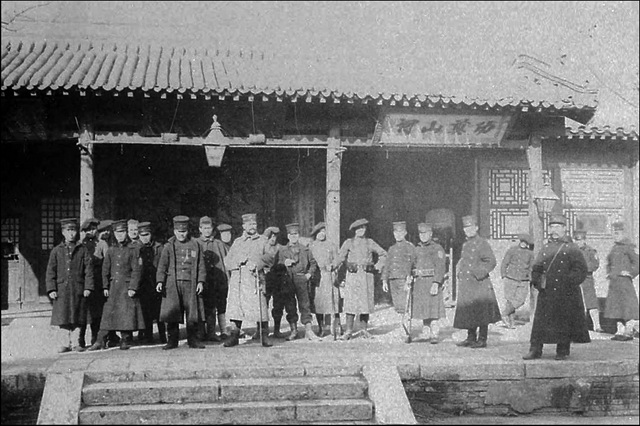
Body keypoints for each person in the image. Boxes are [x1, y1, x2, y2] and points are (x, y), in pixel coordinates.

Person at [523, 214, 590, 361]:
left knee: (563, 322)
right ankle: (535, 350)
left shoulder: (571, 247)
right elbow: (537, 266)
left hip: (565, 293)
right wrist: (537, 281)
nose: (554, 230)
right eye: (552, 226)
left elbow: (581, 269)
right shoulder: (546, 248)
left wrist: (568, 282)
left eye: (558, 227)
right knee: (540, 322)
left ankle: (562, 350)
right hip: (547, 291)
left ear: (564, 229)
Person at [88, 219, 145, 351]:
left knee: (125, 314)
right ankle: (100, 340)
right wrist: (105, 286)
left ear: (126, 233)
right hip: (113, 287)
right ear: (114, 233)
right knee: (108, 313)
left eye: (123, 232)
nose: (121, 235)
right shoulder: (111, 250)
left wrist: (133, 287)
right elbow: (105, 270)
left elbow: (137, 270)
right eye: (118, 233)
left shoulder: (133, 249)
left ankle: (125, 339)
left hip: (126, 287)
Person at [155, 215, 207, 350]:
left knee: (192, 314)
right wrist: (160, 281)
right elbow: (162, 266)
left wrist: (201, 281)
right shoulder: (169, 246)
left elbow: (201, 265)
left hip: (191, 283)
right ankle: (172, 341)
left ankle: (193, 340)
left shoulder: (196, 245)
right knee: (172, 313)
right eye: (179, 231)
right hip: (173, 284)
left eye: (184, 231)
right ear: (174, 231)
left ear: (188, 231)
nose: (181, 234)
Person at [223, 213, 272, 347]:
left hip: (255, 278)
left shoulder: (262, 240)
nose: (252, 227)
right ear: (244, 226)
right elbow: (227, 261)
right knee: (237, 309)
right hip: (239, 281)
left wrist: (257, 263)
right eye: (249, 224)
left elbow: (270, 256)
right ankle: (234, 336)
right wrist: (238, 261)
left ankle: (264, 335)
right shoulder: (237, 242)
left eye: (254, 224)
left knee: (260, 308)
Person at [46, 218, 94, 353]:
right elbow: (51, 271)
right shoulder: (56, 251)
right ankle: (64, 343)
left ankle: (76, 343)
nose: (71, 234)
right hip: (62, 290)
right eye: (68, 230)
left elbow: (88, 270)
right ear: (63, 232)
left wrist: (88, 287)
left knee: (78, 318)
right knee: (63, 317)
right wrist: (51, 289)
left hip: (78, 289)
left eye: (73, 230)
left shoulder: (82, 250)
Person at [453, 215, 501, 349]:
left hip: (479, 282)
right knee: (469, 310)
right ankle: (471, 337)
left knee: (482, 311)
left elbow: (491, 261)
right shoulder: (465, 244)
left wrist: (478, 273)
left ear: (476, 228)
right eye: (465, 227)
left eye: (470, 227)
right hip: (467, 283)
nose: (468, 230)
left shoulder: (482, 243)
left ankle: (482, 339)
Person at [335, 218, 387, 340]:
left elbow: (384, 254)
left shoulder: (370, 242)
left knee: (365, 302)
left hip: (366, 275)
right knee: (351, 302)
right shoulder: (349, 242)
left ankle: (364, 330)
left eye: (363, 228)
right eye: (358, 228)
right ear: (354, 230)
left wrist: (376, 266)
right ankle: (348, 331)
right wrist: (333, 267)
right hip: (352, 275)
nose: (361, 231)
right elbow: (340, 257)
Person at [278, 222, 320, 341]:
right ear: (288, 236)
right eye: (291, 235)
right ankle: (294, 330)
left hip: (302, 279)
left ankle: (308, 330)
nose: (294, 237)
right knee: (290, 305)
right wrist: (284, 263)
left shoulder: (305, 249)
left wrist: (308, 274)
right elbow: (277, 265)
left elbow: (313, 263)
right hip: (288, 279)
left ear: (299, 235)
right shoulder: (282, 250)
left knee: (305, 305)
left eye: (296, 234)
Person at [603, 221, 639, 341]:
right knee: (615, 307)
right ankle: (620, 331)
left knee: (626, 307)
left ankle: (628, 332)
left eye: (618, 233)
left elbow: (637, 262)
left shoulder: (628, 247)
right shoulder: (614, 248)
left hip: (624, 283)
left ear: (624, 234)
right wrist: (609, 273)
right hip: (614, 282)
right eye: (614, 233)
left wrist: (630, 273)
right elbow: (609, 262)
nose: (615, 235)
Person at [411, 222, 447, 344]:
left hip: (431, 281)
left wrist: (436, 283)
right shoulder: (416, 249)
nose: (423, 236)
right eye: (421, 233)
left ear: (430, 234)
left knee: (433, 308)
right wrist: (410, 275)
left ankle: (434, 333)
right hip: (420, 282)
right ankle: (426, 332)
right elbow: (412, 264)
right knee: (423, 309)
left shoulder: (437, 248)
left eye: (425, 233)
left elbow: (441, 267)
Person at [382, 221, 416, 341]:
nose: (398, 234)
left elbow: (413, 263)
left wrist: (410, 276)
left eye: (400, 232)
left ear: (405, 233)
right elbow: (387, 265)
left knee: (405, 306)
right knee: (398, 306)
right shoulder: (392, 249)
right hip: (393, 279)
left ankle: (407, 330)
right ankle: (402, 328)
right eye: (396, 232)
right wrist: (384, 280)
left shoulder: (410, 247)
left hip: (403, 279)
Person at [309, 222, 342, 338]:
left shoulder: (331, 245)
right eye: (319, 232)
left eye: (324, 232)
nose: (322, 234)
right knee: (319, 304)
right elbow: (309, 261)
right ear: (315, 234)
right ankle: (321, 327)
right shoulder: (311, 246)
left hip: (330, 276)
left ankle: (337, 327)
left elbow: (338, 259)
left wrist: (333, 265)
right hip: (318, 277)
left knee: (334, 302)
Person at [263, 226, 296, 339]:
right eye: (270, 236)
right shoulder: (262, 247)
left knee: (278, 304)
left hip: (278, 280)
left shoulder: (281, 248)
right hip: (265, 279)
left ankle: (276, 330)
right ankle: (262, 330)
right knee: (263, 304)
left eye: (275, 236)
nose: (273, 239)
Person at [137, 221, 166, 344]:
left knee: (159, 311)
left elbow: (163, 264)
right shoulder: (136, 248)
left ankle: (162, 335)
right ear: (139, 236)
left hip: (156, 282)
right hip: (143, 285)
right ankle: (148, 336)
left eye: (147, 234)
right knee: (146, 312)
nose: (145, 238)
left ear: (151, 234)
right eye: (142, 235)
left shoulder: (159, 248)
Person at [499, 233, 534, 329]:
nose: (523, 244)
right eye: (522, 241)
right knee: (510, 300)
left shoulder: (530, 253)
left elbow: (531, 267)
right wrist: (503, 274)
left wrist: (530, 278)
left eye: (526, 242)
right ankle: (510, 322)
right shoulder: (512, 250)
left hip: (523, 279)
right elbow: (505, 262)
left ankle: (504, 314)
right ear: (520, 241)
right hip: (510, 278)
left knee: (520, 300)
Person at [196, 216, 222, 342]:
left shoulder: (217, 243)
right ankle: (200, 332)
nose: (207, 231)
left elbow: (221, 263)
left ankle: (211, 332)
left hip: (213, 281)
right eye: (204, 228)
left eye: (209, 228)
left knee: (212, 307)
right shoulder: (195, 243)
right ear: (200, 229)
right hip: (199, 280)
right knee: (200, 306)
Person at [574, 228, 603, 334]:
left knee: (591, 302)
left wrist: (584, 268)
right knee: (577, 303)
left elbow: (595, 264)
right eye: (576, 240)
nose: (578, 242)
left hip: (587, 279)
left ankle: (597, 325)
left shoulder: (591, 251)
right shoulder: (572, 251)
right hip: (575, 280)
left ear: (584, 240)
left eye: (580, 240)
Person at [78, 217, 101, 348]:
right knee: (82, 313)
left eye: (94, 229)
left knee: (96, 313)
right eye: (89, 229)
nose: (92, 231)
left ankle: (95, 338)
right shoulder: (81, 245)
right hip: (84, 282)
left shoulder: (101, 243)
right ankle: (80, 339)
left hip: (97, 282)